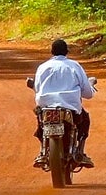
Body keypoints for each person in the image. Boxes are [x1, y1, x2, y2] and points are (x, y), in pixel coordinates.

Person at [31, 37, 96, 169]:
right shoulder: (74, 66)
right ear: (67, 51)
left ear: (51, 52)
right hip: (70, 107)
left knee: (41, 126)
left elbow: (37, 88)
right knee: (84, 121)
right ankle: (80, 152)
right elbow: (88, 93)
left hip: (46, 106)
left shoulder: (42, 67)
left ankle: (43, 152)